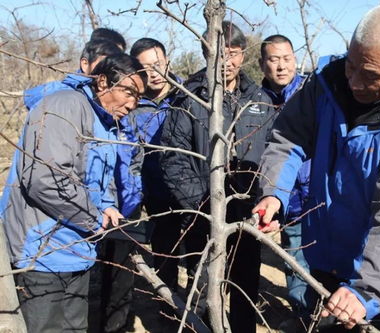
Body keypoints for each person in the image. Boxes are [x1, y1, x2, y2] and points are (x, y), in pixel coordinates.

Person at [253, 5, 380, 332]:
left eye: (370, 75)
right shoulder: (325, 85)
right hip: (324, 258)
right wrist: (275, 194)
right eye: (351, 66)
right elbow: (289, 138)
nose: (353, 82)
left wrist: (366, 291)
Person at [0, 54, 146, 333]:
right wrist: (94, 218)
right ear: (102, 81)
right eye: (129, 92)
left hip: (78, 251)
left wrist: (107, 206)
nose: (132, 104)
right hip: (42, 253)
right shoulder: (64, 105)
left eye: (138, 97)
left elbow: (99, 181)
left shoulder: (105, 122)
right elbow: (46, 180)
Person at [160, 21, 275, 333]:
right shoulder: (189, 99)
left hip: (247, 218)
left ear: (243, 54)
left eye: (234, 53)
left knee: (244, 293)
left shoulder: (259, 100)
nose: (227, 62)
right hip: (201, 217)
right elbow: (173, 159)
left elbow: (273, 156)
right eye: (218, 54)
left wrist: (265, 200)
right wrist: (201, 204)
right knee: (201, 293)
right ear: (205, 54)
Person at [99, 37, 182, 332]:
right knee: (163, 257)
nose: (155, 73)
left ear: (168, 61)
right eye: (146, 68)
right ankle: (167, 312)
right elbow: (124, 157)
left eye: (158, 64)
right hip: (150, 195)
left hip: (188, 194)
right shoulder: (130, 105)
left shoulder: (187, 97)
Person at [259, 34, 310, 319]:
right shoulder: (254, 100)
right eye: (274, 59)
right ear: (262, 63)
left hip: (320, 197)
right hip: (286, 202)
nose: (281, 66)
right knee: (296, 267)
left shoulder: (311, 93)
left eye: (287, 58)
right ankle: (305, 319)